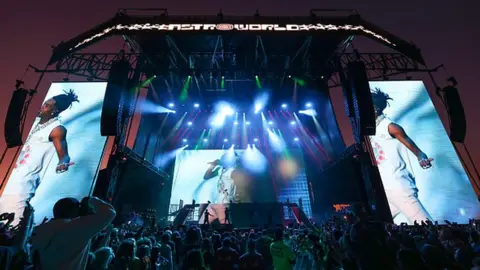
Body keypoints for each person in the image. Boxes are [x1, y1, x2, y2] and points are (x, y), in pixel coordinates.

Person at [0, 90, 79, 224]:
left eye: (47, 105)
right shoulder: (33, 122)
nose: (43, 106)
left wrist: (63, 163)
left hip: (24, 183)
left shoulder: (57, 129)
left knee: (11, 222)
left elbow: (64, 155)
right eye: (45, 103)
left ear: (55, 111)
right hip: (10, 176)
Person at [369, 88, 434, 223]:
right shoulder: (370, 129)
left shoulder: (390, 127)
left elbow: (418, 151)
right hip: (385, 189)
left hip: (398, 187)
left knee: (426, 225)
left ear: (374, 109)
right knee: (378, 226)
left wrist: (422, 158)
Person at [31, 196, 116, 269]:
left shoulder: (38, 230)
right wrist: (91, 200)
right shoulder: (77, 227)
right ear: (76, 210)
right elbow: (109, 213)